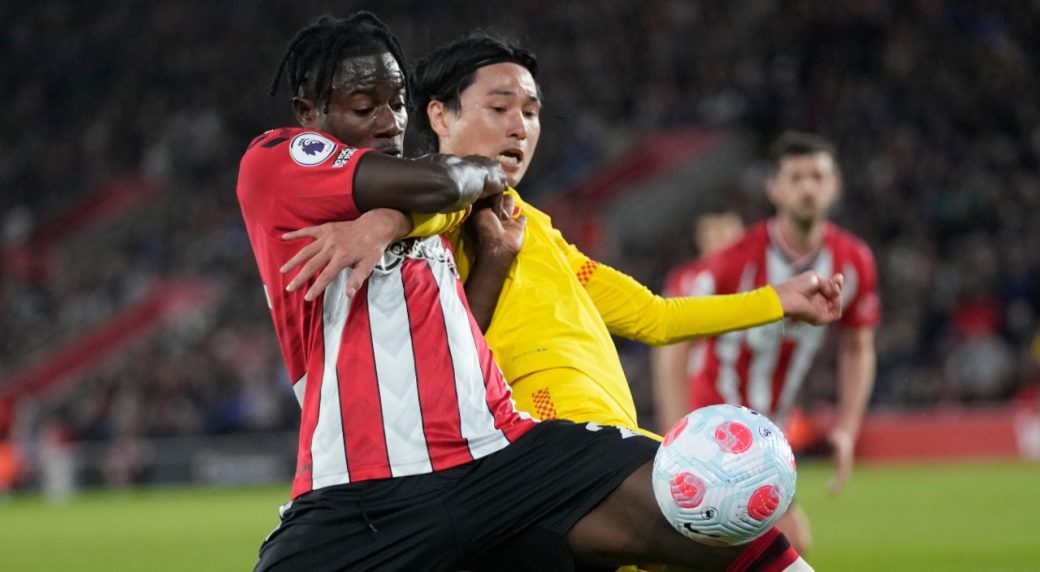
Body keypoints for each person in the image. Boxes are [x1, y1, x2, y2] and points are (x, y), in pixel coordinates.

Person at [240, 14, 812, 571]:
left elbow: (460, 333)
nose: (390, 123)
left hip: (497, 459)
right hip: (360, 490)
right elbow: (450, 179)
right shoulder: (277, 162)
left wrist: (492, 257)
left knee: (697, 507)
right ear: (309, 112)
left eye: (398, 104)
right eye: (366, 108)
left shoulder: (447, 214)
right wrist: (410, 210)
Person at [283, 32, 845, 441]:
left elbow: (655, 317)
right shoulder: (447, 207)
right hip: (549, 430)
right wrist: (386, 221)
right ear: (439, 116)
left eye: (531, 112)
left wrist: (778, 301)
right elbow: (435, 209)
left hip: (606, 430)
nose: (519, 126)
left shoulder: (532, 225)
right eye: (499, 107)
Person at [653, 132, 881, 553]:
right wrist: (675, 434)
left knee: (758, 549)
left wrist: (847, 430)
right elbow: (673, 340)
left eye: (817, 177)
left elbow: (858, 347)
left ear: (835, 186)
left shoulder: (853, 263)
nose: (807, 188)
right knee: (785, 543)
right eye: (796, 177)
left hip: (770, 432)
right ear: (774, 188)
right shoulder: (734, 260)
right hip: (715, 425)